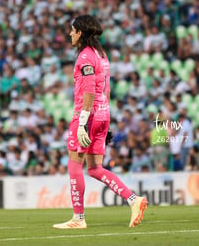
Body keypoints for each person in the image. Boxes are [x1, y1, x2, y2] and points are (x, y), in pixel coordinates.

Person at [53, 15, 147, 229]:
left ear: (81, 33)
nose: (70, 34)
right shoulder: (102, 55)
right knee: (95, 168)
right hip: (103, 115)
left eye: (72, 30)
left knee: (74, 163)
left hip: (87, 115)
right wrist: (106, 122)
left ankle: (78, 218)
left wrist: (84, 121)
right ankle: (134, 200)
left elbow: (88, 91)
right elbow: (105, 89)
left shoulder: (85, 56)